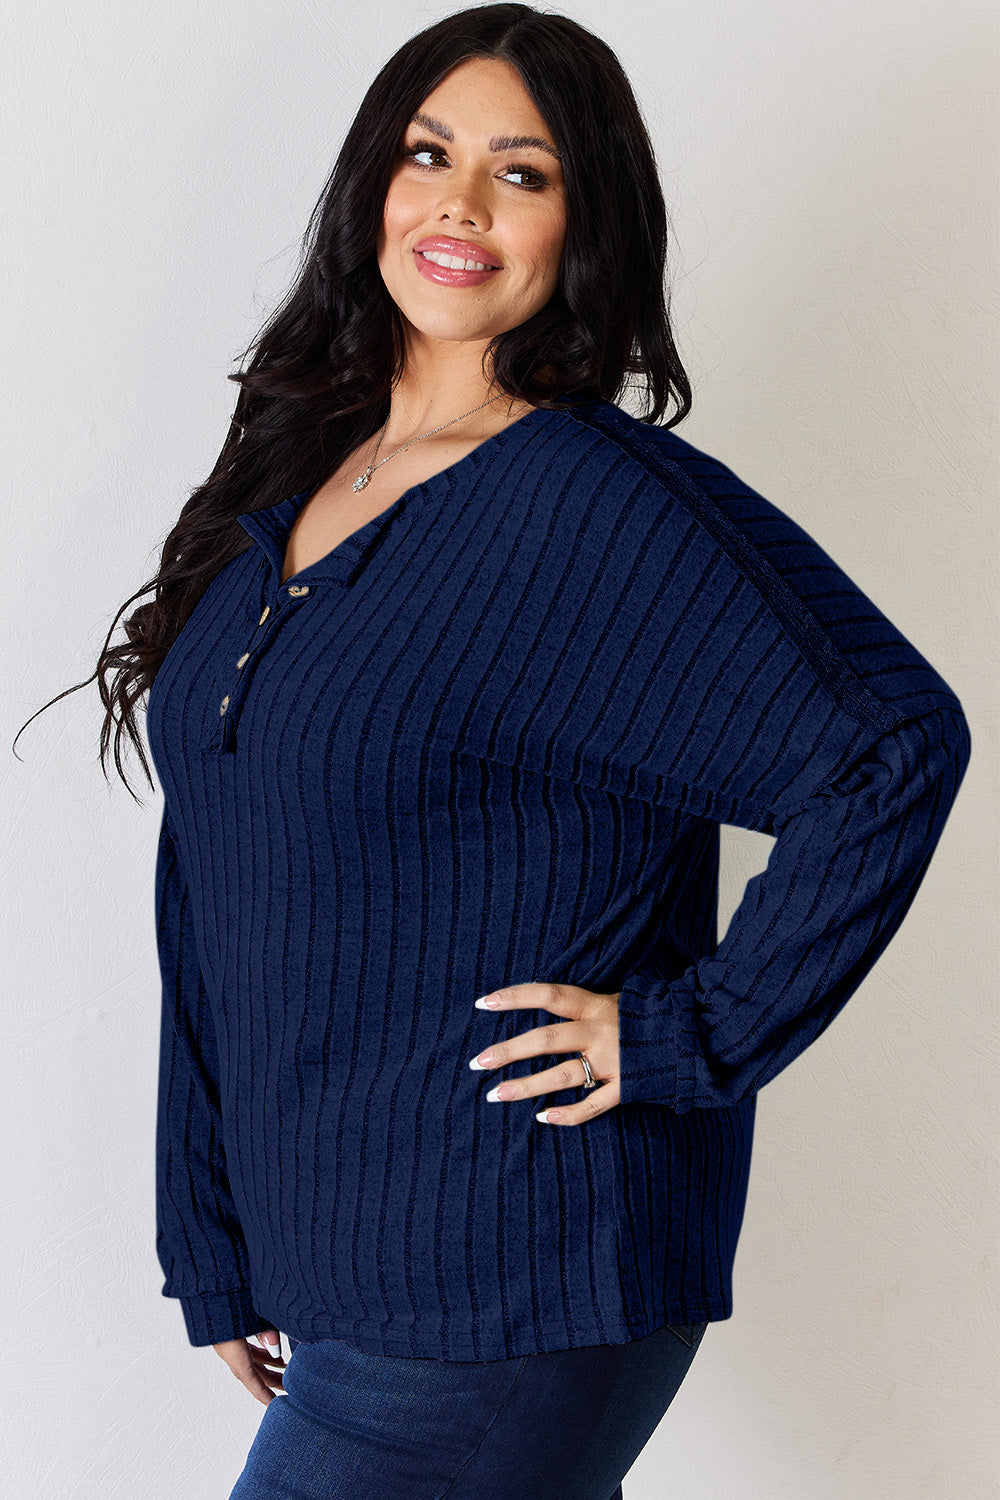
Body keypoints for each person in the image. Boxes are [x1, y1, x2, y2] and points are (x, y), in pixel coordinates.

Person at [18, 5, 970, 1497]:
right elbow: (217, 876)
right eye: (428, 153)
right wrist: (207, 1226)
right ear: (372, 190)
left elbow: (891, 745)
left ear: (584, 224)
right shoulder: (295, 474)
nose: (461, 202)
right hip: (346, 1271)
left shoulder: (598, 507)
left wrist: (681, 1036)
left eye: (522, 173)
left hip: (514, 1270)